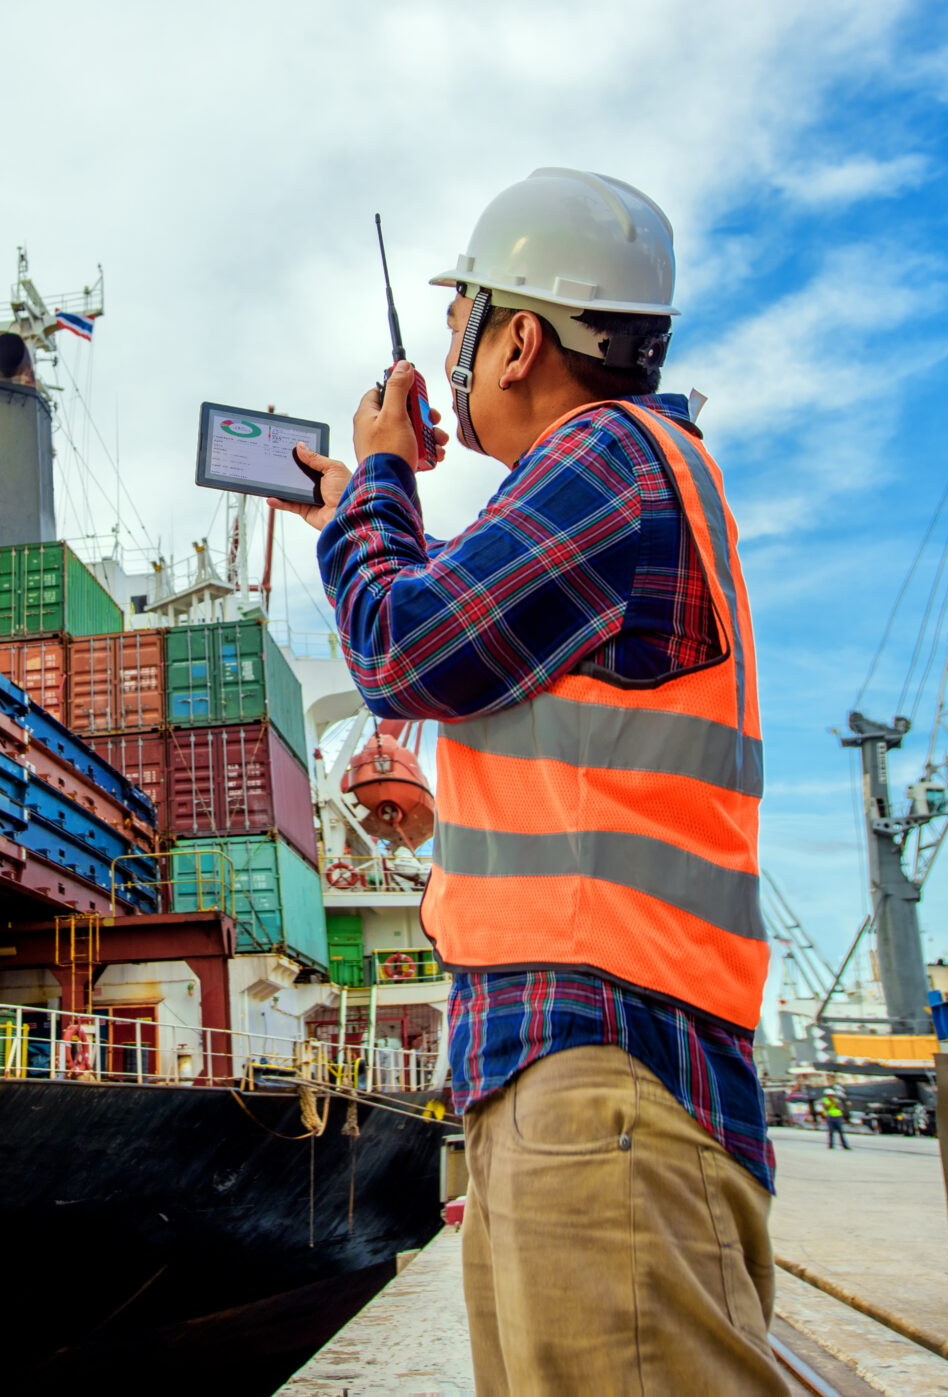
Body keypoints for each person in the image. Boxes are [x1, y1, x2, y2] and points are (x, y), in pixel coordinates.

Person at [273, 168, 776, 1395]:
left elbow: (404, 645)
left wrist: (380, 478)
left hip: (604, 1065)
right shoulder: (619, 481)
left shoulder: (609, 456)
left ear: (517, 338)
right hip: (568, 1062)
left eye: (458, 325)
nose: (441, 358)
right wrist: (364, 511)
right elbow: (463, 635)